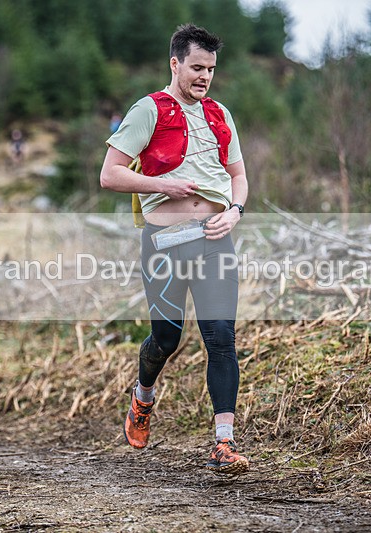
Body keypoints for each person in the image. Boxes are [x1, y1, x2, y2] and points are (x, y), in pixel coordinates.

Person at [100, 23, 249, 474]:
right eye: (197, 67)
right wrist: (160, 183)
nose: (204, 77)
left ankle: (223, 443)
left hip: (215, 239)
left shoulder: (220, 114)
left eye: (210, 69)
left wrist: (236, 210)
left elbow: (238, 176)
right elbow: (110, 174)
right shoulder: (149, 110)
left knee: (222, 340)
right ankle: (142, 399)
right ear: (175, 64)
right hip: (166, 242)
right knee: (167, 338)